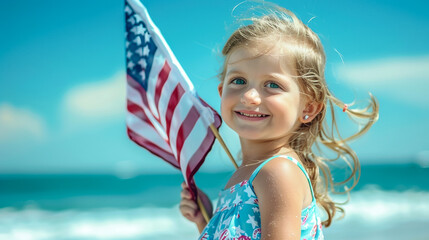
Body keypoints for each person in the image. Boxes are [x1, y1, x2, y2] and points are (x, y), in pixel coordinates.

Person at [179, 2, 379, 239]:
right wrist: (206, 221)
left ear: (309, 108)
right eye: (239, 81)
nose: (249, 96)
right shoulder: (248, 174)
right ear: (222, 91)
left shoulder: (277, 172)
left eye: (272, 85)